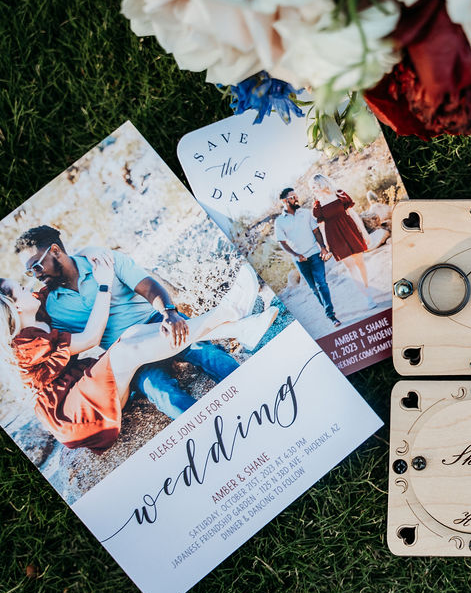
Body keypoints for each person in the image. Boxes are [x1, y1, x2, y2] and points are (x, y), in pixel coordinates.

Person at [0, 257, 276, 452]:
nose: (28, 286)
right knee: (136, 364)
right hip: (76, 412)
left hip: (92, 381)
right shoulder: (24, 346)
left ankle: (240, 333)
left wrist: (85, 254)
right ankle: (227, 317)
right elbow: (91, 339)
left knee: (134, 338)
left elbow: (68, 265)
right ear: (13, 309)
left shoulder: (37, 304)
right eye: (20, 289)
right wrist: (105, 284)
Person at [14, 226, 241, 419]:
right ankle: (210, 428)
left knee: (205, 352)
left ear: (55, 250)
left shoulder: (102, 260)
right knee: (162, 393)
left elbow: (147, 286)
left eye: (37, 266)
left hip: (156, 323)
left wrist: (169, 312)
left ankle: (250, 387)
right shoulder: (52, 307)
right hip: (129, 356)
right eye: (29, 272)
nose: (36, 276)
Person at [274, 187, 341, 327]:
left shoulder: (305, 213)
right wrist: (296, 255)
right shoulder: (279, 222)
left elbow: (316, 231)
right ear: (285, 201)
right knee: (314, 289)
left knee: (321, 283)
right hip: (300, 260)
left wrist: (322, 247)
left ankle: (331, 315)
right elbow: (282, 242)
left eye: (296, 195)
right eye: (292, 197)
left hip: (314, 253)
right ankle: (328, 310)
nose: (296, 198)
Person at [309, 174, 376, 308]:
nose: (313, 189)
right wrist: (326, 246)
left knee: (360, 263)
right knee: (351, 266)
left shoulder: (340, 195)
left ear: (322, 184)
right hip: (335, 237)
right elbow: (322, 227)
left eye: (315, 186)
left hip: (350, 231)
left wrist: (364, 232)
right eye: (312, 188)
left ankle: (367, 287)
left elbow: (353, 214)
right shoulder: (317, 206)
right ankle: (367, 296)